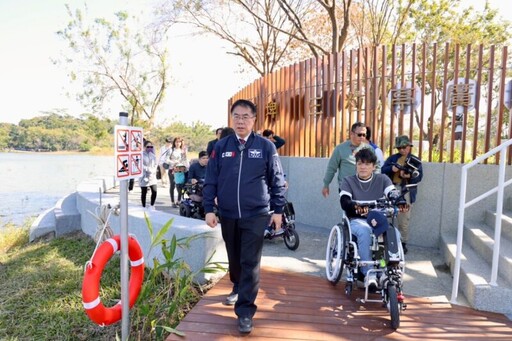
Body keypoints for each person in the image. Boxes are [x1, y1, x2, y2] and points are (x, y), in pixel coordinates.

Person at [203, 99, 286, 334]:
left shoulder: (266, 147)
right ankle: (237, 285)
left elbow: (277, 180)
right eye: (236, 117)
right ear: (232, 119)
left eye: (245, 117)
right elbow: (211, 179)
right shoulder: (221, 146)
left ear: (254, 119)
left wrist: (278, 210)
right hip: (228, 214)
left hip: (256, 214)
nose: (240, 121)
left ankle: (246, 312)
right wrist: (209, 208)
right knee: (235, 257)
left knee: (250, 262)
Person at [340, 148, 407, 278]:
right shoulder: (348, 181)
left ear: (374, 166)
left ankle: (386, 268)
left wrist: (400, 201)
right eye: (360, 164)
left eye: (367, 164)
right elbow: (345, 201)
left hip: (378, 219)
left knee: (394, 233)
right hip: (356, 220)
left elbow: (392, 192)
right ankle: (368, 273)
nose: (363, 167)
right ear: (356, 165)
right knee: (364, 231)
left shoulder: (382, 179)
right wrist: (355, 205)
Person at [382, 135, 423, 254]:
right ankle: (386, 241)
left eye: (405, 147)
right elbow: (382, 170)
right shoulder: (392, 159)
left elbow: (419, 176)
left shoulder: (415, 160)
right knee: (386, 215)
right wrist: (392, 169)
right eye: (400, 148)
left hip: (406, 191)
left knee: (404, 219)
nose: (403, 150)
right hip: (391, 189)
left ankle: (403, 243)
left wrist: (408, 176)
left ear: (409, 146)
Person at [322, 122, 373, 198]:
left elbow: (376, 166)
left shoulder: (369, 149)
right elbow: (332, 168)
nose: (362, 137)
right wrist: (326, 184)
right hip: (346, 188)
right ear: (352, 134)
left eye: (364, 135)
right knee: (349, 209)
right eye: (359, 134)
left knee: (363, 209)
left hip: (364, 188)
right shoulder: (340, 149)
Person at [165, 137, 188, 208]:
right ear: (174, 143)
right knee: (172, 185)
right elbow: (166, 160)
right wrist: (174, 162)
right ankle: (172, 201)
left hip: (180, 170)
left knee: (180, 186)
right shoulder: (170, 150)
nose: (178, 143)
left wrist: (185, 166)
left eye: (179, 142)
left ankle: (179, 200)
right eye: (176, 142)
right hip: (172, 169)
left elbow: (185, 159)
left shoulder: (183, 151)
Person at [139, 140, 158, 210]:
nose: (150, 148)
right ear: (144, 147)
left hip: (152, 176)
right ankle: (143, 206)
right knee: (144, 192)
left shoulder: (153, 155)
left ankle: (152, 205)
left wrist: (154, 170)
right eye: (148, 146)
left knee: (154, 191)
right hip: (144, 176)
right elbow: (140, 165)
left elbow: (156, 164)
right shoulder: (141, 155)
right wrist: (148, 169)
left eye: (151, 146)